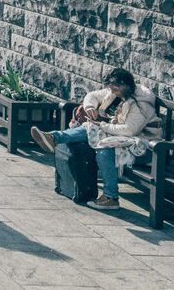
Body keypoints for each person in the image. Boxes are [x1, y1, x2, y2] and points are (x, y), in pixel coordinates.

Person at [31, 68, 157, 210]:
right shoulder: (117, 93)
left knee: (103, 150)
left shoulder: (142, 103)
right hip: (121, 139)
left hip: (144, 147)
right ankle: (53, 138)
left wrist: (103, 125)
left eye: (115, 89)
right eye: (112, 90)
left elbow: (130, 130)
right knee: (90, 128)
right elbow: (92, 96)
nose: (113, 93)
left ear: (124, 84)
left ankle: (111, 198)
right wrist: (90, 107)